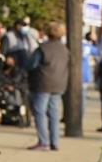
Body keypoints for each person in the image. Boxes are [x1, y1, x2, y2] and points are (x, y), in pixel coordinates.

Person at [28, 22, 70, 151]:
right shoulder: (65, 49)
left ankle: (43, 141)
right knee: (54, 112)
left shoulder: (43, 48)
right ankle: (54, 141)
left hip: (43, 83)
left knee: (40, 111)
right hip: (59, 83)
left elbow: (32, 65)